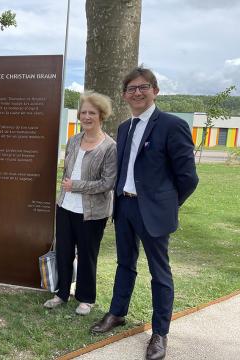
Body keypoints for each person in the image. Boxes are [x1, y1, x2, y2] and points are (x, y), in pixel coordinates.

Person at [90, 67, 199, 360]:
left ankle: (160, 333)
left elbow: (188, 177)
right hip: (125, 207)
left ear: (155, 91)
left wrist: (166, 205)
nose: (137, 92)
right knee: (125, 264)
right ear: (124, 95)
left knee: (159, 273)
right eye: (131, 89)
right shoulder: (125, 128)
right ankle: (117, 313)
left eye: (143, 87)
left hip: (153, 213)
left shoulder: (172, 125)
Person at [43, 91, 117, 315]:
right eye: (83, 112)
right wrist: (67, 189)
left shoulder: (109, 147)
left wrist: (76, 186)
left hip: (92, 212)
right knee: (64, 252)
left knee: (87, 255)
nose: (86, 117)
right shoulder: (74, 140)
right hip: (65, 206)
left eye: (91, 113)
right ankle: (62, 293)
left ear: (101, 115)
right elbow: (67, 170)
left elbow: (108, 182)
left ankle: (86, 298)